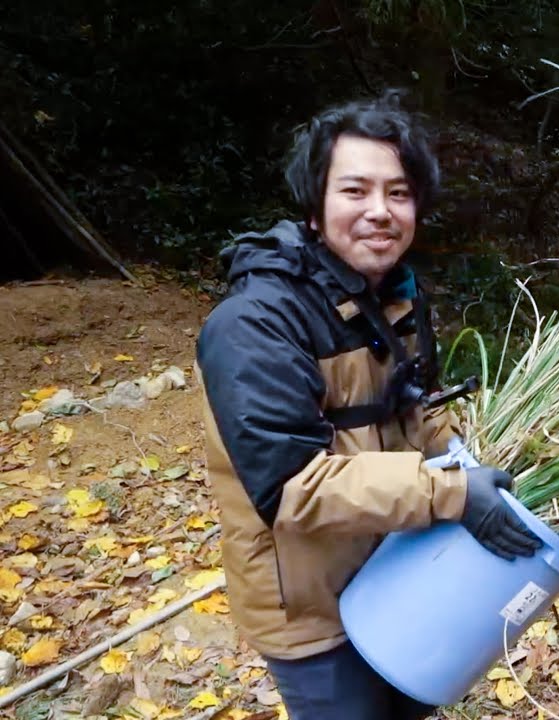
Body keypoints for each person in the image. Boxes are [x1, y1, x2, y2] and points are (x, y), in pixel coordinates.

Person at [196, 91, 541, 720]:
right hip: (310, 611)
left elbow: (418, 407)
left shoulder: (393, 295)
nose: (380, 211)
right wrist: (452, 495)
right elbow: (293, 489)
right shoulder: (255, 324)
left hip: (397, 568)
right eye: (355, 191)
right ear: (315, 206)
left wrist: (473, 460)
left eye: (398, 193)